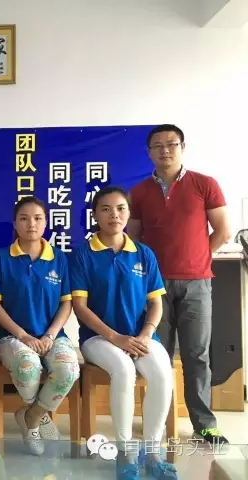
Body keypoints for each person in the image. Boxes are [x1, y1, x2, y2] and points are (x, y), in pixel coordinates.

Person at [128, 124, 231, 445]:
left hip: (197, 284)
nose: (165, 150)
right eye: (157, 145)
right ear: (149, 153)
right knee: (156, 355)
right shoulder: (140, 192)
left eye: (171, 144)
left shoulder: (204, 184)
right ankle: (157, 423)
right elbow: (134, 238)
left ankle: (205, 424)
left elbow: (223, 231)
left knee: (196, 355)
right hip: (154, 287)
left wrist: (198, 259)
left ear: (182, 147)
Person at [70, 186, 176, 480]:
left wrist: (146, 334)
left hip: (140, 336)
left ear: (129, 213)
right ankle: (126, 453)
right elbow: (80, 307)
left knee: (162, 373)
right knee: (124, 370)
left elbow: (156, 303)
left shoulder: (143, 253)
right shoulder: (83, 255)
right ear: (95, 215)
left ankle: (152, 454)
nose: (114, 215)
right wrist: (115, 338)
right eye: (105, 209)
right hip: (98, 338)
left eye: (120, 208)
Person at [0, 196, 80, 455]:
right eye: (24, 218)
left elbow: (66, 303)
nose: (31, 224)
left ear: (46, 223)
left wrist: (50, 335)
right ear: (15, 224)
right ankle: (40, 416)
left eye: (38, 218)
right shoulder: (1, 258)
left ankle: (32, 416)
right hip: (12, 337)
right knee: (27, 367)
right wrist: (23, 335)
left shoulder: (59, 258)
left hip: (53, 336)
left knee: (68, 370)